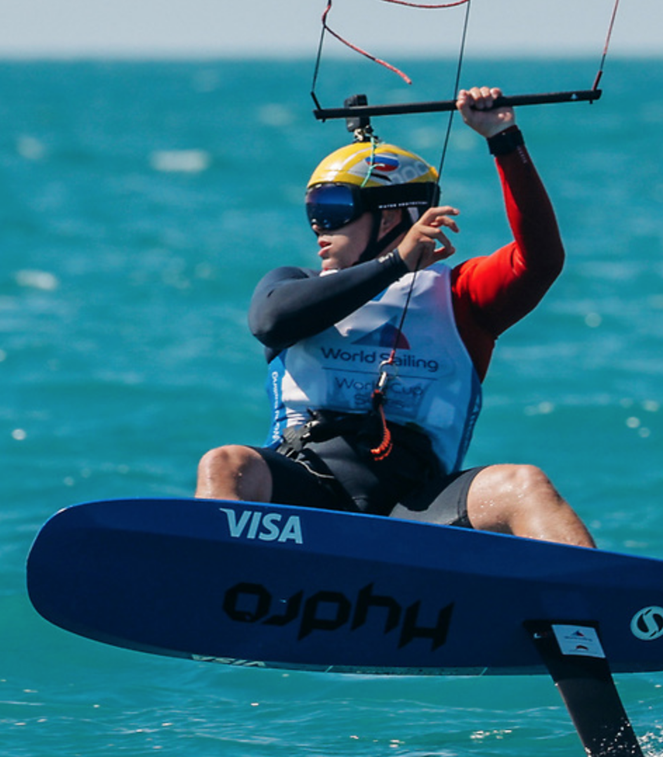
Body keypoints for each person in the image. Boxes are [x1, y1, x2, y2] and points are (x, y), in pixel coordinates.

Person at [195, 86, 595, 548]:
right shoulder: (295, 286)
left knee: (523, 484)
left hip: (417, 509)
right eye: (313, 213)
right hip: (305, 492)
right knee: (225, 463)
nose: (318, 229)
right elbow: (270, 323)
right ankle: (214, 576)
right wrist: (395, 264)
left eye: (333, 211)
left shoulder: (460, 295)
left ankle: (596, 603)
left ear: (390, 219)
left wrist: (503, 138)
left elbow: (540, 260)